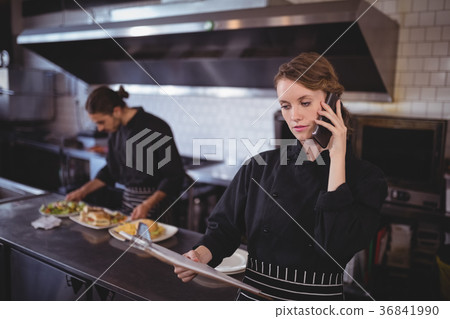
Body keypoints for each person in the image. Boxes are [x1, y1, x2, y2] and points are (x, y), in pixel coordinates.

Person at [174, 52, 388, 300]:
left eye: (305, 102)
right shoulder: (259, 166)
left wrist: (337, 155)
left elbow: (335, 246)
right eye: (286, 106)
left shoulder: (367, 179)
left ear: (332, 102)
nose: (293, 116)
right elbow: (223, 230)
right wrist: (201, 255)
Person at [66, 85, 185, 222]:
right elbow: (110, 171)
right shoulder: (116, 131)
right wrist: (82, 191)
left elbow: (173, 176)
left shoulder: (156, 127)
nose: (100, 128)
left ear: (116, 111)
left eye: (101, 122)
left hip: (156, 209)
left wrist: (147, 204)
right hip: (128, 206)